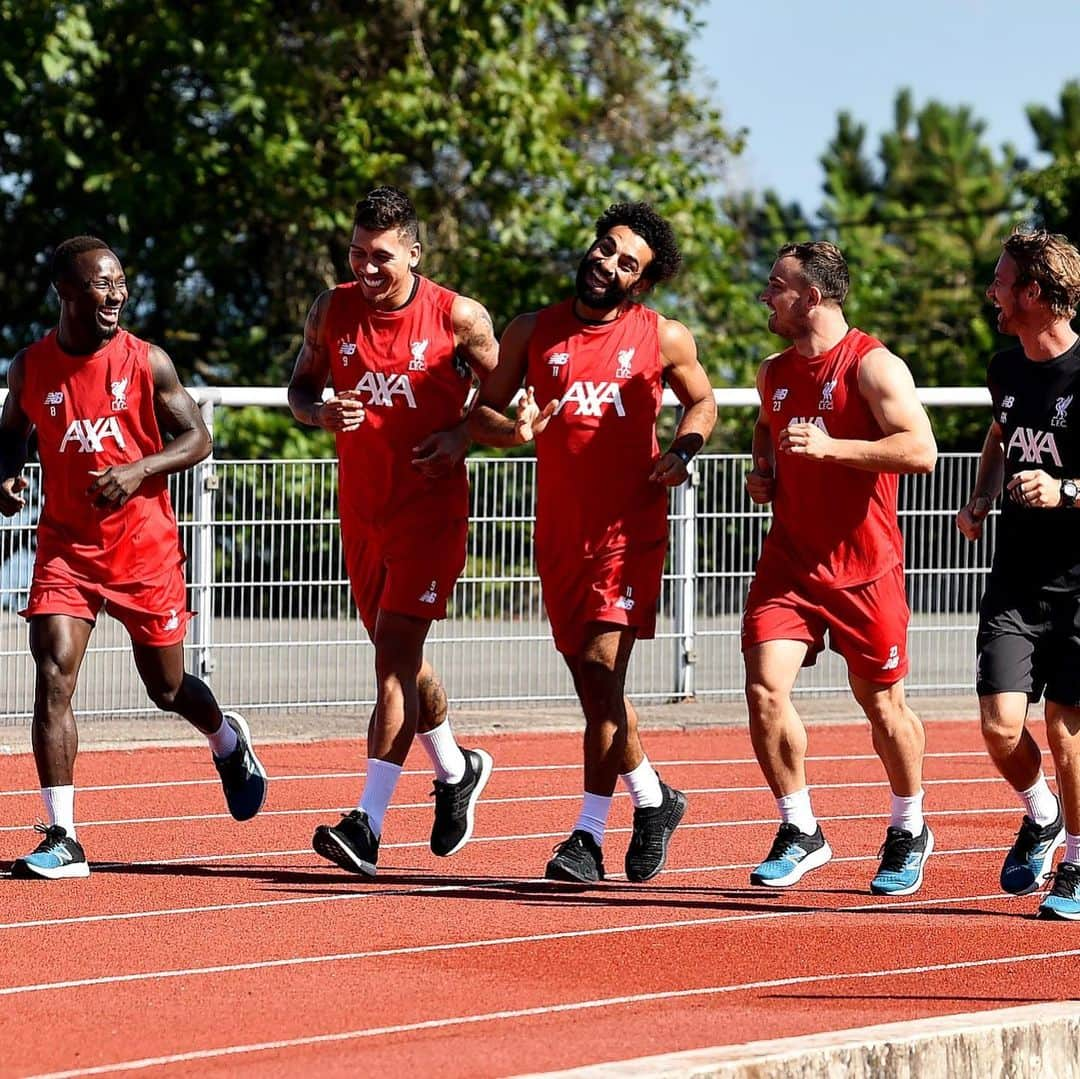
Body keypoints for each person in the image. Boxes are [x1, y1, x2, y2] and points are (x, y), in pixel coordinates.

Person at [0, 235, 267, 879]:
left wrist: (138, 469)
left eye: (121, 283)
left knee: (167, 688)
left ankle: (226, 740)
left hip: (143, 550)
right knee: (53, 673)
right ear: (66, 292)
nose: (117, 294)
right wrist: (5, 476)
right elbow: (9, 437)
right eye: (102, 284)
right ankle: (63, 834)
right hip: (66, 548)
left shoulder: (148, 363)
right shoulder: (30, 367)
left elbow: (197, 437)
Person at [467, 202, 716, 884]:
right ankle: (655, 799)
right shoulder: (532, 331)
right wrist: (512, 427)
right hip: (560, 534)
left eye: (626, 261)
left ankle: (586, 835)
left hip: (627, 531)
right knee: (591, 686)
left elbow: (703, 400)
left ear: (640, 282)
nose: (607, 262)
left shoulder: (661, 336)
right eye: (605, 248)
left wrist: (684, 448)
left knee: (605, 673)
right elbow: (481, 413)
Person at [289, 187, 498, 877]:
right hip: (363, 511)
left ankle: (367, 823)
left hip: (430, 514)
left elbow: (513, 406)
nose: (367, 267)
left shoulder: (458, 317)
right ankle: (456, 767)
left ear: (413, 249)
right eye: (357, 253)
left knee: (393, 658)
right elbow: (299, 389)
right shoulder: (332, 308)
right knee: (399, 656)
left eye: (381, 255)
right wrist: (319, 413)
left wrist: (461, 433)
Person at [743, 241, 937, 896]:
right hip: (791, 563)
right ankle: (800, 827)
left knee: (882, 704)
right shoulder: (772, 372)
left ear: (812, 298)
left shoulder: (873, 366)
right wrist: (763, 470)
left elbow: (920, 450)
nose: (765, 296)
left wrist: (832, 449)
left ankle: (909, 825)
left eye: (776, 286)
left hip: (865, 567)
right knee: (766, 687)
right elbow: (767, 427)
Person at [957, 228, 1080, 920]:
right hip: (1016, 580)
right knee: (1001, 727)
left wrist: (1065, 492)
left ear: (1034, 293)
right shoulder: (1004, 369)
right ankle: (1043, 816)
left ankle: (1077, 863)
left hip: (1079, 586)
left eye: (1001, 281)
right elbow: (999, 438)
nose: (992, 292)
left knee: (1066, 727)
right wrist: (983, 493)